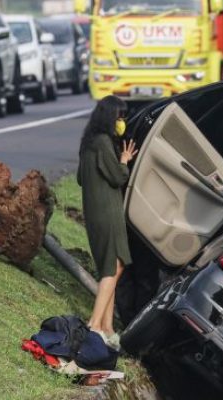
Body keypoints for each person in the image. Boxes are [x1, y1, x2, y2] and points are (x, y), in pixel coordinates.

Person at [77, 95, 138, 348]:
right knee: (115, 266)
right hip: (107, 210)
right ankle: (94, 324)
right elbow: (116, 177)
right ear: (109, 117)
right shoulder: (103, 142)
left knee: (109, 266)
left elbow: (81, 178)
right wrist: (124, 161)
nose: (121, 122)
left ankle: (107, 327)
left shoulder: (88, 142)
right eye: (119, 117)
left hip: (94, 211)